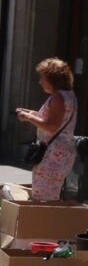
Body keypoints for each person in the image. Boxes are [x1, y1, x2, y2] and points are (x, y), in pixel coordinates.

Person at [16, 58, 78, 201]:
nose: (40, 81)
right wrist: (31, 113)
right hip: (60, 152)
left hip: (53, 154)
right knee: (48, 196)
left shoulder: (58, 97)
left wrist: (28, 117)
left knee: (44, 198)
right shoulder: (68, 95)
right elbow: (54, 119)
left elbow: (51, 126)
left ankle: (46, 223)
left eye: (42, 77)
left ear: (53, 79)